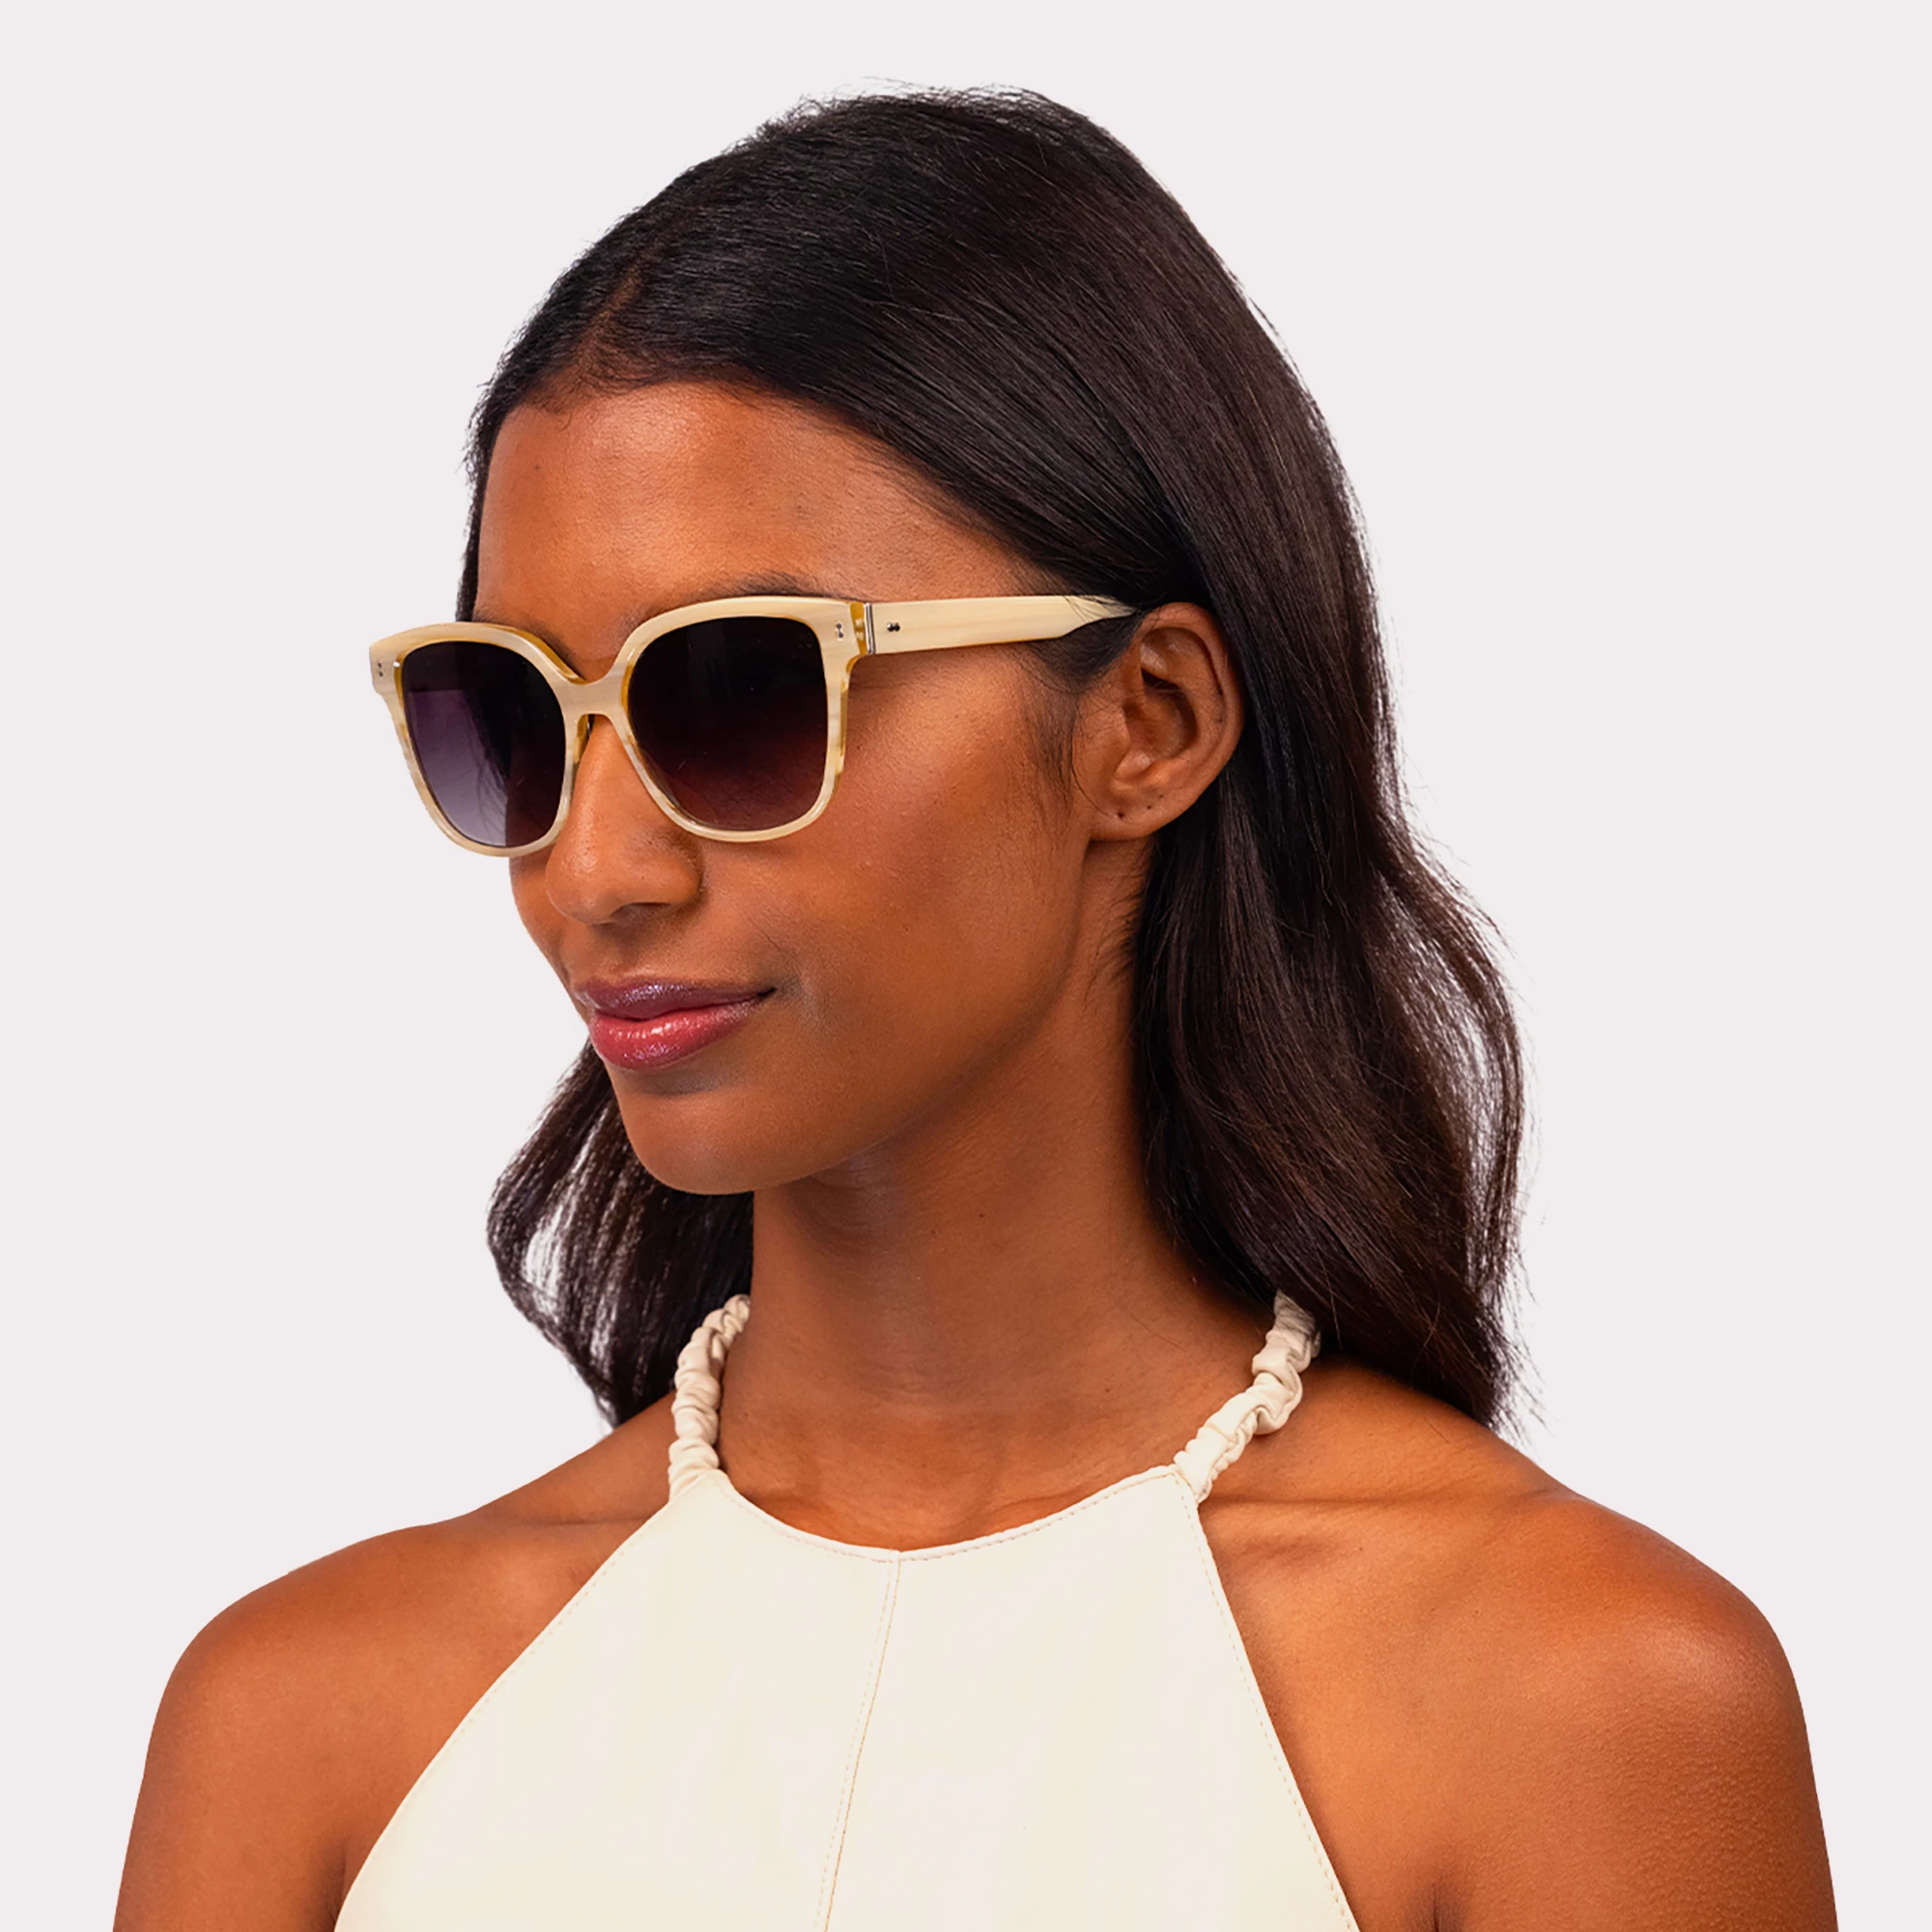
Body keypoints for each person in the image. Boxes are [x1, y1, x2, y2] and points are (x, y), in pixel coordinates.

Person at [114, 90, 1835, 1930]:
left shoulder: (1578, 1707)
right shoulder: (305, 1729)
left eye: (739, 693)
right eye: (515, 720)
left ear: (1149, 724)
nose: (593, 866)